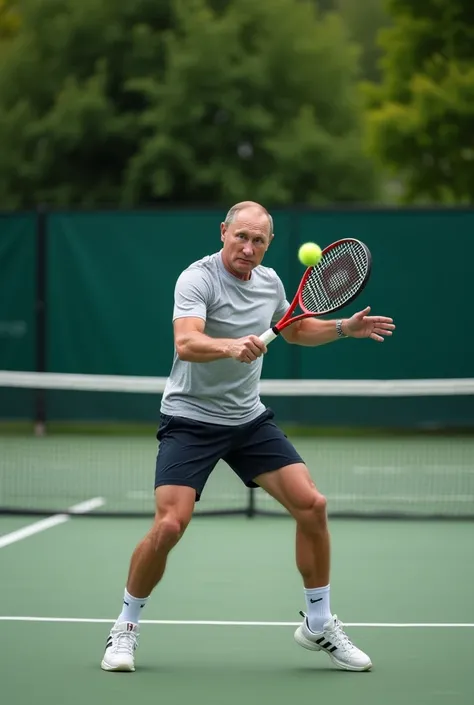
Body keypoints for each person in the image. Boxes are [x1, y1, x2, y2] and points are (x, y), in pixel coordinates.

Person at [101, 201, 395, 673]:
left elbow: (294, 331)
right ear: (223, 232)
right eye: (241, 236)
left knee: (312, 505)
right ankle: (125, 626)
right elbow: (186, 342)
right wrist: (230, 345)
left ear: (269, 243)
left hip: (247, 421)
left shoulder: (272, 282)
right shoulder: (196, 278)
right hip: (190, 419)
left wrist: (344, 328)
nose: (248, 247)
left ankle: (318, 622)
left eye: (258, 240)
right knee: (171, 525)